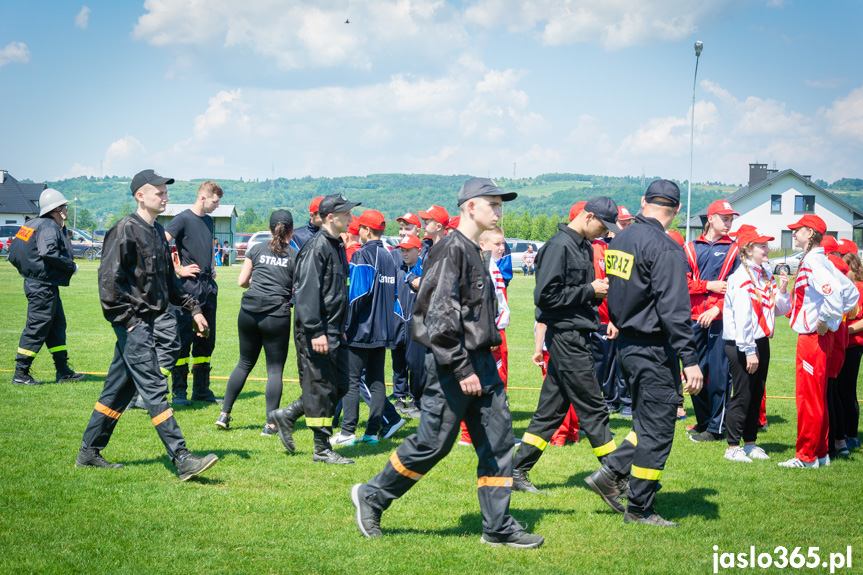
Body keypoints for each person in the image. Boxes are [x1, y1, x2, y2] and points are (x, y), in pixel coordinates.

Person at [351, 177, 544, 549]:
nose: (499, 211)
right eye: (494, 204)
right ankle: (373, 496)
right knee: (432, 444)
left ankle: (498, 525)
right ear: (471, 207)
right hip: (455, 365)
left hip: (483, 363)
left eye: (501, 205)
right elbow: (439, 319)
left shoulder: (475, 249)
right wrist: (461, 367)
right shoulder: (450, 249)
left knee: (498, 443)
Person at [77, 169, 218, 481]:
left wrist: (193, 309)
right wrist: (128, 325)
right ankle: (182, 458)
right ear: (140, 195)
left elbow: (169, 283)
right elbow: (108, 285)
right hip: (134, 324)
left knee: (117, 390)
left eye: (165, 193)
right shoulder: (124, 230)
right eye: (159, 192)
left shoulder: (156, 231)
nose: (164, 197)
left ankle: (88, 452)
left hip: (151, 321)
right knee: (155, 387)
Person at [584, 179, 703, 527]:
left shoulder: (621, 238)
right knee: (658, 429)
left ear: (643, 201)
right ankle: (638, 508)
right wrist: (691, 360)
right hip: (652, 347)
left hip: (626, 342)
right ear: (677, 210)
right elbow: (675, 311)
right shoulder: (666, 248)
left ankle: (612, 474)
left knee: (649, 421)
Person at [511, 196, 621, 494]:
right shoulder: (558, 246)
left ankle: (516, 472)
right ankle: (616, 476)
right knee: (595, 408)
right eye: (603, 225)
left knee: (550, 412)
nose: (605, 232)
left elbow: (570, 294)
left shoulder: (583, 245)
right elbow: (544, 298)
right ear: (588, 216)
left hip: (576, 335)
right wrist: (589, 290)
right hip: (566, 338)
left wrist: (593, 295)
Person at [271, 193, 360, 464]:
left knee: (340, 384)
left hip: (334, 330)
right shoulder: (316, 247)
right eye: (345, 214)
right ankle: (322, 449)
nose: (350, 217)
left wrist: (339, 327)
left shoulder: (336, 246)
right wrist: (315, 331)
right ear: (330, 218)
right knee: (321, 386)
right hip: (317, 331)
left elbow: (336, 293)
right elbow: (307, 293)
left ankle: (288, 414)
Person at [778, 215, 857, 468]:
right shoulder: (821, 259)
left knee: (808, 397)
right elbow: (851, 292)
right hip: (819, 337)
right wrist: (832, 321)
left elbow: (835, 293)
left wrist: (825, 320)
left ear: (810, 233)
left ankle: (807, 455)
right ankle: (821, 453)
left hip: (813, 337)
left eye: (797, 230)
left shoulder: (814, 261)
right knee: (818, 396)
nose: (794, 234)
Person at [216, 210, 297, 436]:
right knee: (274, 370)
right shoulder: (295, 254)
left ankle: (224, 414)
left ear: (270, 229)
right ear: (291, 229)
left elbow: (242, 281)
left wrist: (259, 283)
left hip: (249, 311)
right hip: (276, 314)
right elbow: (295, 288)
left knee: (243, 363)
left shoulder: (256, 249)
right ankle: (270, 425)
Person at [330, 209, 403, 446]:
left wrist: (346, 323)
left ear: (367, 230)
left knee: (351, 380)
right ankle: (372, 433)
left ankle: (348, 431)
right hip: (384, 330)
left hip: (361, 329)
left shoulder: (362, 256)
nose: (357, 230)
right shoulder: (390, 256)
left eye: (360, 227)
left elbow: (357, 295)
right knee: (376, 381)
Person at [721, 227, 790, 463]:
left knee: (757, 392)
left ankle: (750, 443)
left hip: (760, 341)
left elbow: (779, 310)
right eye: (762, 246)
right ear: (748, 250)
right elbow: (743, 318)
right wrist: (749, 350)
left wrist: (781, 290)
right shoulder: (739, 278)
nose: (767, 249)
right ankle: (732, 446)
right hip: (742, 343)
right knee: (743, 393)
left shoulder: (764, 275)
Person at [8, 188, 84, 385]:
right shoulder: (49, 226)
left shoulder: (31, 224)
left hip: (41, 284)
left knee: (56, 327)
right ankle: (21, 373)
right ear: (57, 208)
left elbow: (13, 253)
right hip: (42, 287)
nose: (66, 210)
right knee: (36, 328)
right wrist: (71, 266)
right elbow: (48, 251)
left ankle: (63, 371)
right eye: (65, 207)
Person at [684, 200, 740, 442]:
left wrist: (716, 308)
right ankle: (705, 421)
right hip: (694, 318)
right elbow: (681, 284)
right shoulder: (689, 249)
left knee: (719, 374)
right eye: (725, 218)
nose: (729, 223)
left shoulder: (736, 250)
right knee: (694, 372)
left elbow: (736, 289)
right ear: (711, 219)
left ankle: (717, 428)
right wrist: (709, 286)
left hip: (721, 320)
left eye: (731, 219)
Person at [165, 181, 224, 404]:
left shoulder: (209, 220)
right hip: (188, 287)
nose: (217, 206)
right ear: (202, 198)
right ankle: (179, 392)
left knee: (206, 339)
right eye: (215, 201)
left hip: (209, 287)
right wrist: (178, 269)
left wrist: (212, 267)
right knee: (183, 340)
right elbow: (161, 244)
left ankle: (201, 390)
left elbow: (208, 246)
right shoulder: (181, 219)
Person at [459, 225, 510, 446]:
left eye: (502, 243)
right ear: (482, 244)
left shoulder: (493, 266)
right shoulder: (480, 267)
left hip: (495, 330)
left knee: (496, 382)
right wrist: (490, 333)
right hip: (489, 334)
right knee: (488, 383)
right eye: (497, 244)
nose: (502, 248)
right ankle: (475, 434)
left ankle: (485, 432)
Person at [390, 212, 423, 415]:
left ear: (418, 251)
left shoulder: (423, 268)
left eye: (409, 250)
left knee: (415, 363)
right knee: (398, 361)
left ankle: (415, 397)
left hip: (415, 322)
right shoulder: (397, 267)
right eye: (402, 250)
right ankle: (399, 396)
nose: (404, 253)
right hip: (397, 320)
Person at [838, 241, 863, 449]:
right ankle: (840, 432)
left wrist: (846, 331)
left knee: (847, 391)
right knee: (838, 391)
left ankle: (851, 435)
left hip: (852, 346)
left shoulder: (859, 288)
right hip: (840, 346)